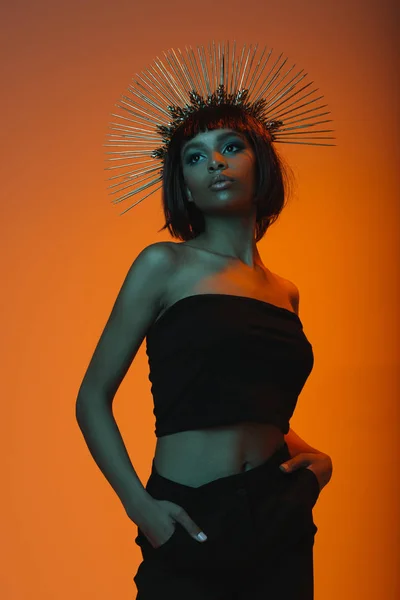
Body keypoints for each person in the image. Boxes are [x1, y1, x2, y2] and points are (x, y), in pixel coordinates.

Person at [76, 41, 334, 599]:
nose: (214, 162)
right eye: (194, 156)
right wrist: (140, 507)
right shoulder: (163, 265)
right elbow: (91, 399)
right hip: (188, 514)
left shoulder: (285, 292)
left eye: (229, 147)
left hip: (278, 516)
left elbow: (246, 401)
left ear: (258, 162)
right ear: (185, 186)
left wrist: (317, 462)